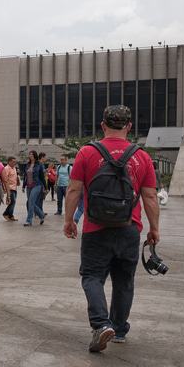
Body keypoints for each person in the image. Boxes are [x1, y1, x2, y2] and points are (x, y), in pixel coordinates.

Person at [62, 105, 160, 353]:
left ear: (103, 125)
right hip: (129, 227)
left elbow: (73, 189)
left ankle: (101, 324)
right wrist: (154, 229)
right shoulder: (142, 156)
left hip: (95, 228)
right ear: (129, 127)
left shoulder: (87, 152)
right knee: (124, 281)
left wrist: (69, 219)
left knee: (92, 277)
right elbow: (150, 196)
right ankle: (119, 329)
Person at [23, 150, 47, 227]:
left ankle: (28, 221)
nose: (30, 155)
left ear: (35, 156)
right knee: (30, 203)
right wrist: (23, 186)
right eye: (29, 154)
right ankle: (41, 215)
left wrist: (45, 187)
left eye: (32, 154)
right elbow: (25, 176)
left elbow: (42, 177)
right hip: (28, 186)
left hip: (37, 185)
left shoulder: (39, 164)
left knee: (31, 202)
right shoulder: (27, 164)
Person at [1, 156, 19, 221]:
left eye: (15, 162)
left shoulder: (14, 168)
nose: (14, 163)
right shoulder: (6, 169)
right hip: (10, 188)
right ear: (9, 162)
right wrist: (5, 188)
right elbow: (5, 179)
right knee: (12, 201)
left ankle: (10, 215)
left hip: (14, 187)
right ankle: (6, 214)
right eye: (13, 161)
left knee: (13, 202)